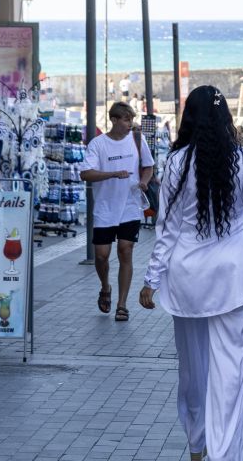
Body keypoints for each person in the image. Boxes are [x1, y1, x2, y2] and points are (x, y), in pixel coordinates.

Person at [139, 86, 243, 461]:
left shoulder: (177, 163)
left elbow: (165, 230)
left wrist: (151, 279)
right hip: (232, 278)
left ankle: (197, 445)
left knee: (193, 371)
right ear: (226, 118)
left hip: (184, 280)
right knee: (230, 375)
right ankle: (222, 455)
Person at [80, 102, 154, 321]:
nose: (129, 124)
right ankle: (105, 287)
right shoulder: (98, 144)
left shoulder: (137, 140)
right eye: (125, 119)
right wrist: (111, 174)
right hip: (105, 208)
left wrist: (143, 181)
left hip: (130, 206)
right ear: (113, 119)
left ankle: (122, 304)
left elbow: (149, 167)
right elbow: (86, 174)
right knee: (101, 257)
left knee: (125, 250)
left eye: (131, 119)